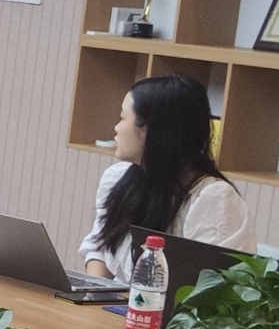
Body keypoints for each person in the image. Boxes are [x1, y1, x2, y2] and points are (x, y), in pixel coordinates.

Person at [79, 75, 256, 282]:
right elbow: (99, 247)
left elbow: (212, 287)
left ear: (151, 129)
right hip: (119, 300)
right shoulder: (119, 177)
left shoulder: (213, 198)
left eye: (123, 118)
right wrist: (95, 290)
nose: (116, 128)